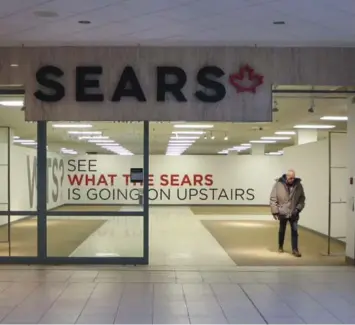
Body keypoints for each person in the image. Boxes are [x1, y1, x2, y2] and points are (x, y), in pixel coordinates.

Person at [269, 169, 305, 257]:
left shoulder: (298, 185)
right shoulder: (278, 185)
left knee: (295, 231)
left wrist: (298, 209)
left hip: (294, 212)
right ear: (287, 177)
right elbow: (273, 198)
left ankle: (295, 250)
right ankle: (280, 246)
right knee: (282, 230)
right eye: (290, 178)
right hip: (283, 212)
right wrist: (275, 212)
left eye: (293, 178)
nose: (292, 180)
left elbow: (302, 198)